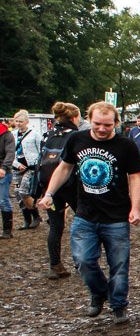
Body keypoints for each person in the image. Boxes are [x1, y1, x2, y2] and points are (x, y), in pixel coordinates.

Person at [36, 102, 140, 323]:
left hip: (116, 216)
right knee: (83, 260)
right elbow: (64, 168)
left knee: (120, 265)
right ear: (89, 119)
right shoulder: (77, 139)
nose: (102, 129)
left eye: (107, 124)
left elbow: (135, 177)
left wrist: (135, 208)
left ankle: (119, 305)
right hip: (85, 214)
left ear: (116, 123)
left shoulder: (126, 145)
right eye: (97, 124)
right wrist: (49, 193)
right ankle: (99, 292)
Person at [35, 102, 83, 278]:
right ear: (73, 118)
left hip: (51, 186)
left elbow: (40, 160)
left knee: (55, 226)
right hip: (72, 185)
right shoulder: (77, 136)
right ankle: (81, 262)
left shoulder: (48, 134)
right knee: (82, 223)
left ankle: (55, 265)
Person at [11, 110, 43, 230]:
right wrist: (16, 163)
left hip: (31, 167)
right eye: (16, 121)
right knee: (18, 194)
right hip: (16, 167)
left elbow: (41, 150)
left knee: (24, 191)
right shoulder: (12, 135)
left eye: (21, 121)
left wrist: (39, 165)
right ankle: (26, 220)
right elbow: (9, 152)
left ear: (27, 122)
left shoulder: (34, 134)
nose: (18, 123)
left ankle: (36, 215)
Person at [0, 117, 13, 239]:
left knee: (3, 200)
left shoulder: (6, 134)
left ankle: (7, 230)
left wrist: (4, 167)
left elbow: (10, 153)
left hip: (3, 171)